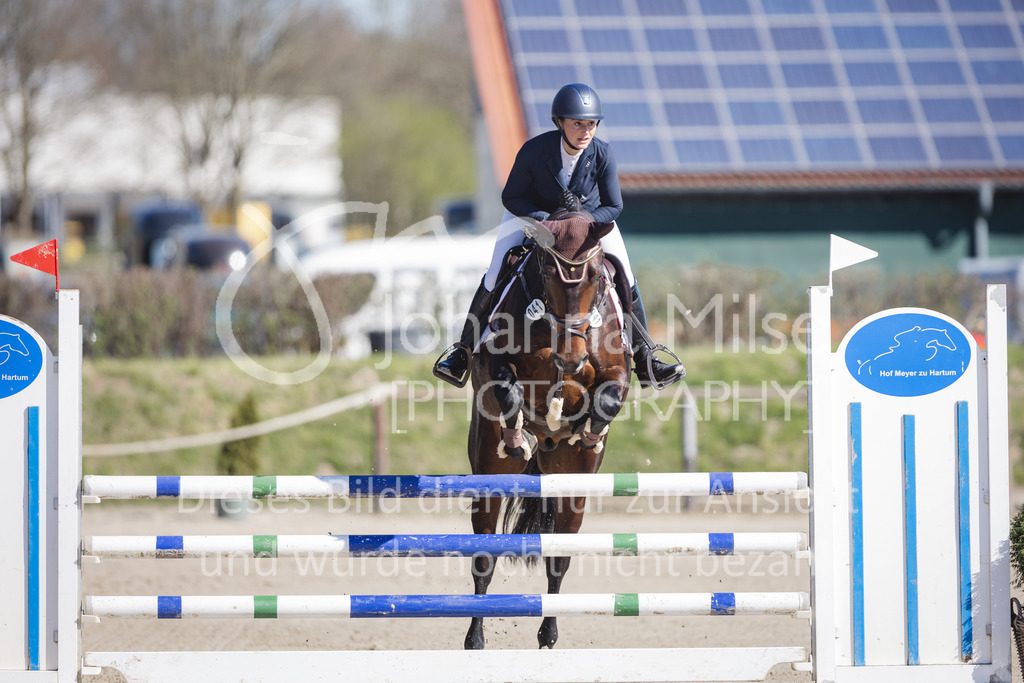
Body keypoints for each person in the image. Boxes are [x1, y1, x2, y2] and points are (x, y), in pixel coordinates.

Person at [434, 83, 684, 389]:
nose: (585, 131)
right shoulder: (534, 151)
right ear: (559, 123)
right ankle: (463, 351)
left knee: (626, 276)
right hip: (531, 218)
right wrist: (546, 220)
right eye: (577, 123)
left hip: (589, 224)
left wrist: (581, 220)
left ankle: (647, 357)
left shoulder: (602, 153)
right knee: (495, 272)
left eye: (591, 124)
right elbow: (512, 197)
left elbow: (614, 205)